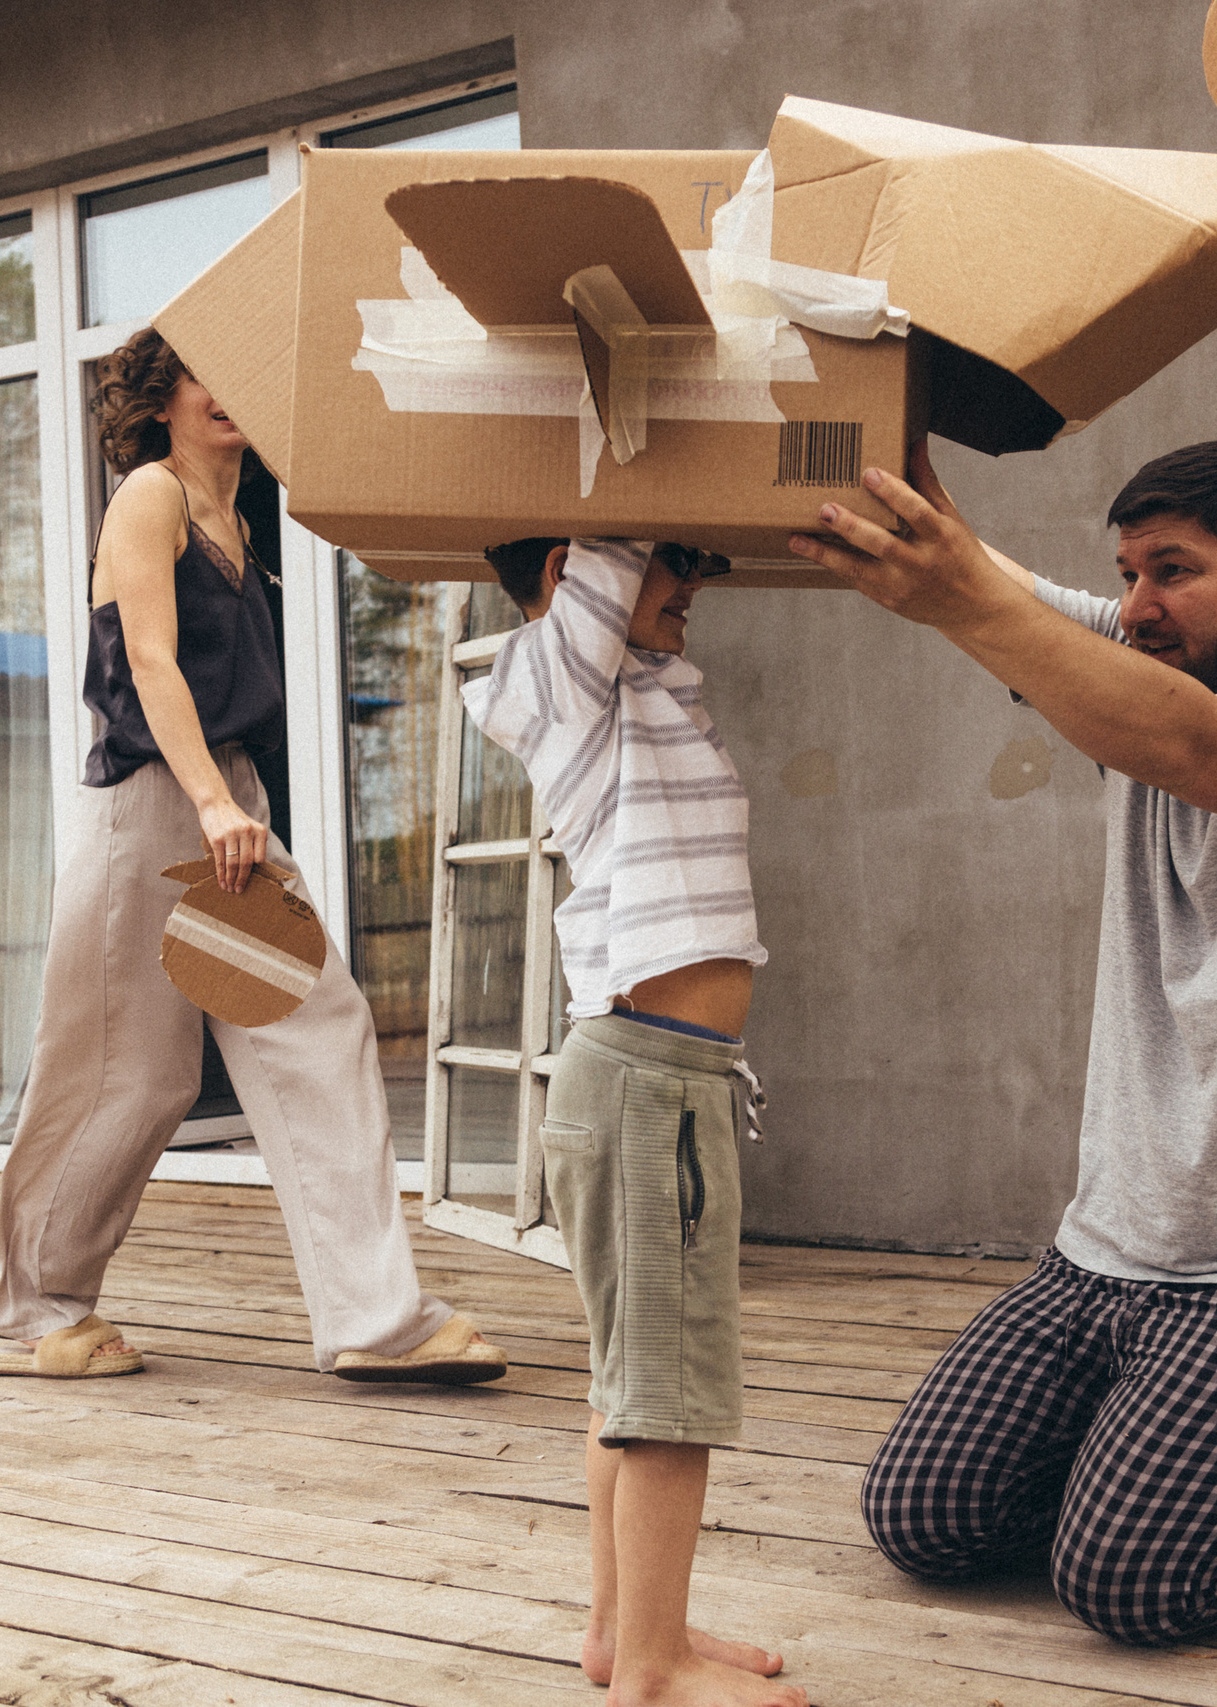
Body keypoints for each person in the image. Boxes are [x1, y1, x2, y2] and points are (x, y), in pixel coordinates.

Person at [789, 438, 1217, 1647]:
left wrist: (974, 601)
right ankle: (1188, 1416)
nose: (1137, 607)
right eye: (1125, 575)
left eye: (1173, 572)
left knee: (1131, 1583)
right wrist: (895, 490)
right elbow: (994, 590)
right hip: (1113, 1253)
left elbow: (1192, 748)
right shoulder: (1141, 663)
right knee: (926, 1520)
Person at [0, 327, 505, 1388]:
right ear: (163, 397)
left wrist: (232, 800)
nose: (227, 398)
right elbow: (149, 658)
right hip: (155, 809)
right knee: (130, 1073)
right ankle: (37, 1308)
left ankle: (376, 1317)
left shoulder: (238, 521)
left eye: (244, 376)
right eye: (203, 375)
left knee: (317, 1032)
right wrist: (213, 803)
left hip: (225, 802)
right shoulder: (150, 497)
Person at [465, 538, 804, 1707]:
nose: (692, 589)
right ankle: (652, 1674)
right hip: (648, 1083)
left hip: (660, 1081)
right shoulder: (558, 682)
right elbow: (606, 529)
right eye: (669, 569)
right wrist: (631, 512)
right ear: (576, 573)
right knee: (668, 1390)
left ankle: (625, 1631)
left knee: (626, 1382)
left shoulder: (636, 698)